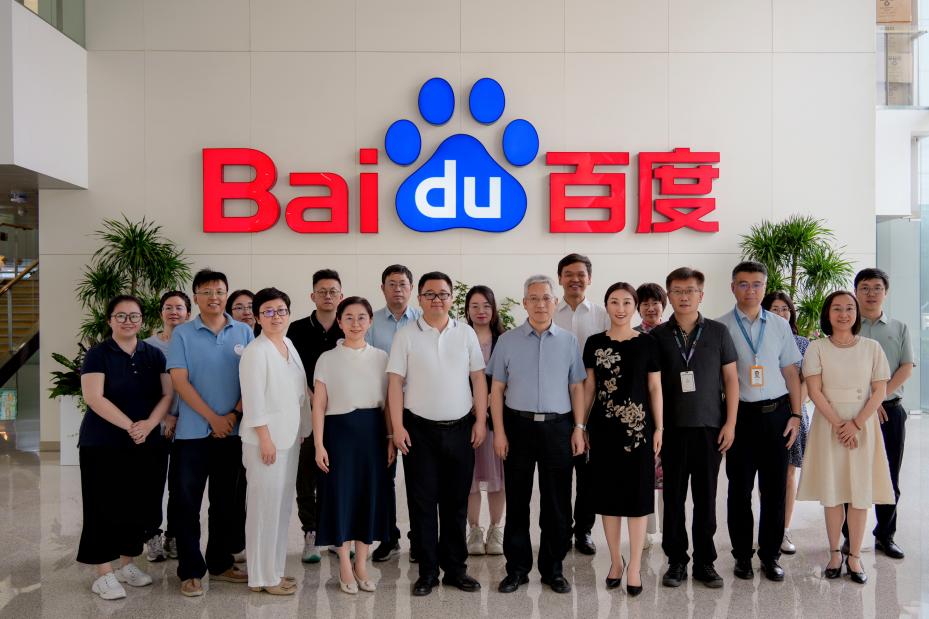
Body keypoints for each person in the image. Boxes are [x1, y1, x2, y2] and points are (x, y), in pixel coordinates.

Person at [388, 272, 488, 596]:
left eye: (443, 294)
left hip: (460, 429)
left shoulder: (466, 333)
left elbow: (478, 378)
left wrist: (480, 420)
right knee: (423, 504)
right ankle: (428, 572)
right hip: (418, 431)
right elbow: (395, 382)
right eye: (429, 294)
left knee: (456, 503)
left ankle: (456, 570)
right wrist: (397, 427)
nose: (437, 300)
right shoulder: (405, 334)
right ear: (419, 299)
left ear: (451, 298)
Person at [488, 275, 587, 595]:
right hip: (517, 427)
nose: (540, 304)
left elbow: (577, 387)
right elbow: (496, 389)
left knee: (557, 503)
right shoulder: (507, 341)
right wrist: (499, 432)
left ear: (554, 302)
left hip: (559, 429)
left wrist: (579, 428)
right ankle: (516, 569)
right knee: (517, 501)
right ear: (524, 303)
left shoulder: (569, 341)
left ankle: (553, 569)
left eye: (546, 298)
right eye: (534, 298)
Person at [78, 295, 174, 600]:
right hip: (103, 442)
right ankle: (103, 573)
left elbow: (167, 395)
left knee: (136, 505)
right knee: (102, 506)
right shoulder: (98, 354)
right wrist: (131, 426)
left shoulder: (153, 354)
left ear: (142, 320)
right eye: (120, 316)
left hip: (145, 442)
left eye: (134, 316)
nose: (128, 321)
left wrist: (149, 425)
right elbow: (94, 397)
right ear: (110, 320)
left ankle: (126, 564)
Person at [166, 268, 255, 597]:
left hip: (232, 433)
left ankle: (219, 563)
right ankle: (190, 570)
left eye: (219, 291)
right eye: (206, 292)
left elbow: (252, 380)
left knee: (225, 504)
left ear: (226, 294)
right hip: (192, 434)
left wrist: (231, 416)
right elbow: (179, 381)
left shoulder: (244, 332)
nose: (214, 297)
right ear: (196, 297)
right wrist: (212, 418)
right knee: (186, 504)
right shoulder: (183, 334)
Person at [796, 290, 894, 584]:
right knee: (833, 491)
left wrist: (856, 424)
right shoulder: (817, 348)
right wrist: (840, 424)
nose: (843, 314)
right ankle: (835, 553)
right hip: (829, 424)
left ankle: (855, 557)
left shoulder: (872, 347)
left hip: (863, 426)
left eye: (849, 308)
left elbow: (879, 390)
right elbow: (814, 391)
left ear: (857, 313)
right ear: (827, 314)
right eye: (837, 308)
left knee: (860, 492)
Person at [651, 267, 738, 589]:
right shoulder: (657, 336)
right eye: (677, 291)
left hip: (709, 428)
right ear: (668, 295)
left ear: (701, 295)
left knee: (705, 498)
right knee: (673, 499)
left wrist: (730, 423)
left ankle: (705, 562)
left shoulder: (718, 332)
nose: (684, 297)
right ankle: (676, 561)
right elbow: (651, 386)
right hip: (671, 430)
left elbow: (731, 380)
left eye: (690, 291)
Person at [717, 262, 802, 582]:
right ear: (732, 287)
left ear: (765, 288)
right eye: (743, 284)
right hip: (740, 418)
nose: (750, 290)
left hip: (777, 416)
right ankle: (742, 556)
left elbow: (791, 372)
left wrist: (796, 415)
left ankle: (770, 555)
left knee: (774, 490)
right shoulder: (720, 326)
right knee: (739, 490)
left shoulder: (779, 325)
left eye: (756, 284)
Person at [582, 282, 663, 596]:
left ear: (635, 306)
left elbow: (654, 388)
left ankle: (634, 567)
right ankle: (616, 561)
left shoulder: (648, 343)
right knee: (609, 497)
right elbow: (589, 387)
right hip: (603, 430)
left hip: (639, 431)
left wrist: (659, 428)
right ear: (606, 306)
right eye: (614, 302)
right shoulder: (594, 343)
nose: (620, 308)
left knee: (639, 498)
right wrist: (581, 425)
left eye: (627, 302)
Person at [313, 297, 391, 594]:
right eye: (349, 317)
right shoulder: (327, 358)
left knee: (367, 496)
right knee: (340, 497)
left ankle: (361, 564)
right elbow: (319, 405)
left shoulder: (381, 357)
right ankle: (344, 564)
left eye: (361, 317)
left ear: (370, 321)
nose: (355, 323)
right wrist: (319, 444)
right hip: (338, 435)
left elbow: (389, 404)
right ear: (339, 321)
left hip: (373, 434)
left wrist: (390, 439)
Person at [839, 268, 915, 559]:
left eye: (877, 288)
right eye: (865, 288)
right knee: (850, 476)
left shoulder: (899, 328)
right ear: (856, 291)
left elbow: (906, 368)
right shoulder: (846, 327)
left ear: (886, 292)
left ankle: (885, 535)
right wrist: (868, 402)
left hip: (890, 412)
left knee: (889, 476)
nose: (871, 293)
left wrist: (878, 398)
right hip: (852, 414)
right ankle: (850, 537)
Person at [239, 288, 310, 595]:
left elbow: (300, 391)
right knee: (263, 509)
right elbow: (253, 399)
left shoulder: (288, 344)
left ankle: (275, 571)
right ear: (257, 317)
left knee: (280, 509)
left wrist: (304, 427)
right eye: (268, 311)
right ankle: (262, 577)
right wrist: (265, 439)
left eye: (281, 310)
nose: (276, 316)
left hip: (289, 438)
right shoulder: (256, 352)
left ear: (289, 314)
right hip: (264, 443)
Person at [286, 269, 344, 564]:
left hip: (340, 413)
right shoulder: (296, 329)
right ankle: (310, 532)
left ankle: (334, 534)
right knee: (306, 475)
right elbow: (290, 369)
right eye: (322, 291)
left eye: (333, 291)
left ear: (341, 295)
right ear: (312, 295)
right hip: (306, 413)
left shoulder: (348, 326)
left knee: (336, 475)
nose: (328, 296)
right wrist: (312, 396)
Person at [553, 253, 609, 555]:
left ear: (589, 278)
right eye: (569, 274)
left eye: (580, 274)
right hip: (557, 406)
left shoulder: (602, 315)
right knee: (560, 473)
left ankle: (584, 530)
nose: (575, 279)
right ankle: (561, 531)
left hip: (592, 406)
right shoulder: (549, 311)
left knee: (588, 475)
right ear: (560, 278)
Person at [366, 264, 422, 562]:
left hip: (417, 408)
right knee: (383, 477)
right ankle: (389, 537)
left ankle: (419, 538)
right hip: (381, 410)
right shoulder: (370, 322)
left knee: (419, 479)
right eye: (392, 284)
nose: (397, 289)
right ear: (382, 288)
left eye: (403, 284)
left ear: (411, 288)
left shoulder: (424, 320)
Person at [143, 290, 191, 562]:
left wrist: (182, 417)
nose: (174, 312)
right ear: (161, 312)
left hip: (187, 427)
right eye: (168, 307)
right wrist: (164, 418)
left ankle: (174, 535)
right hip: (156, 427)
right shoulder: (147, 347)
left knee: (180, 486)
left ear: (188, 313)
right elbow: (143, 390)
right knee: (152, 484)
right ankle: (152, 535)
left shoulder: (193, 344)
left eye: (179, 308)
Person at [761, 291, 810, 555]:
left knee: (789, 473)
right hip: (766, 414)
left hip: (794, 415)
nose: (781, 314)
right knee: (766, 476)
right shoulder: (760, 341)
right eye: (775, 309)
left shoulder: (803, 344)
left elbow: (808, 382)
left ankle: (784, 529)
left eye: (785, 309)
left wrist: (795, 410)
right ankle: (768, 527)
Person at [464, 285, 506, 557]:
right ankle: (474, 530)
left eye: (486, 306)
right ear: (467, 310)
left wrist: (492, 404)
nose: (481, 311)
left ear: (494, 309)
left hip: (497, 419)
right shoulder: (459, 336)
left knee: (496, 478)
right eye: (475, 306)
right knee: (469, 478)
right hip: (466, 417)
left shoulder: (505, 339)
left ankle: (495, 529)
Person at [634, 282, 668, 548]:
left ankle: (669, 530)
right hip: (641, 416)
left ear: (663, 305)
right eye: (644, 303)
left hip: (671, 415)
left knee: (670, 477)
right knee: (644, 475)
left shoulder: (672, 334)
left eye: (655, 302)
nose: (650, 307)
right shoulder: (632, 336)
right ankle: (644, 531)